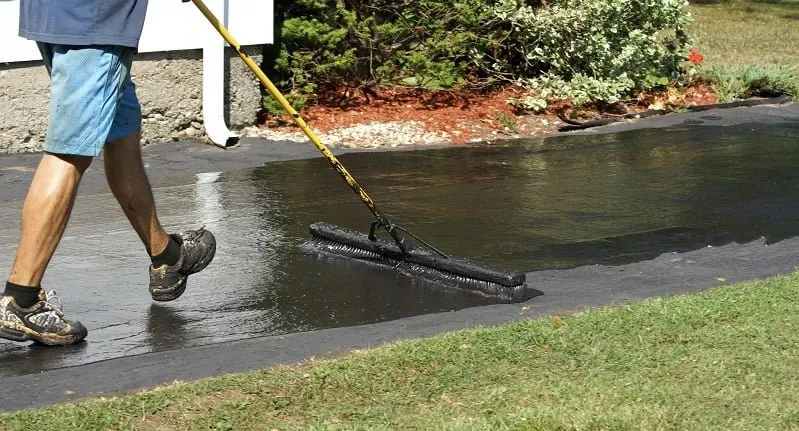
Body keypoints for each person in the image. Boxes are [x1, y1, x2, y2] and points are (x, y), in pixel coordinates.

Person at [0, 0, 216, 346]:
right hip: (95, 19)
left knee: (121, 132)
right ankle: (21, 299)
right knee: (69, 153)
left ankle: (166, 257)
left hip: (58, 13)